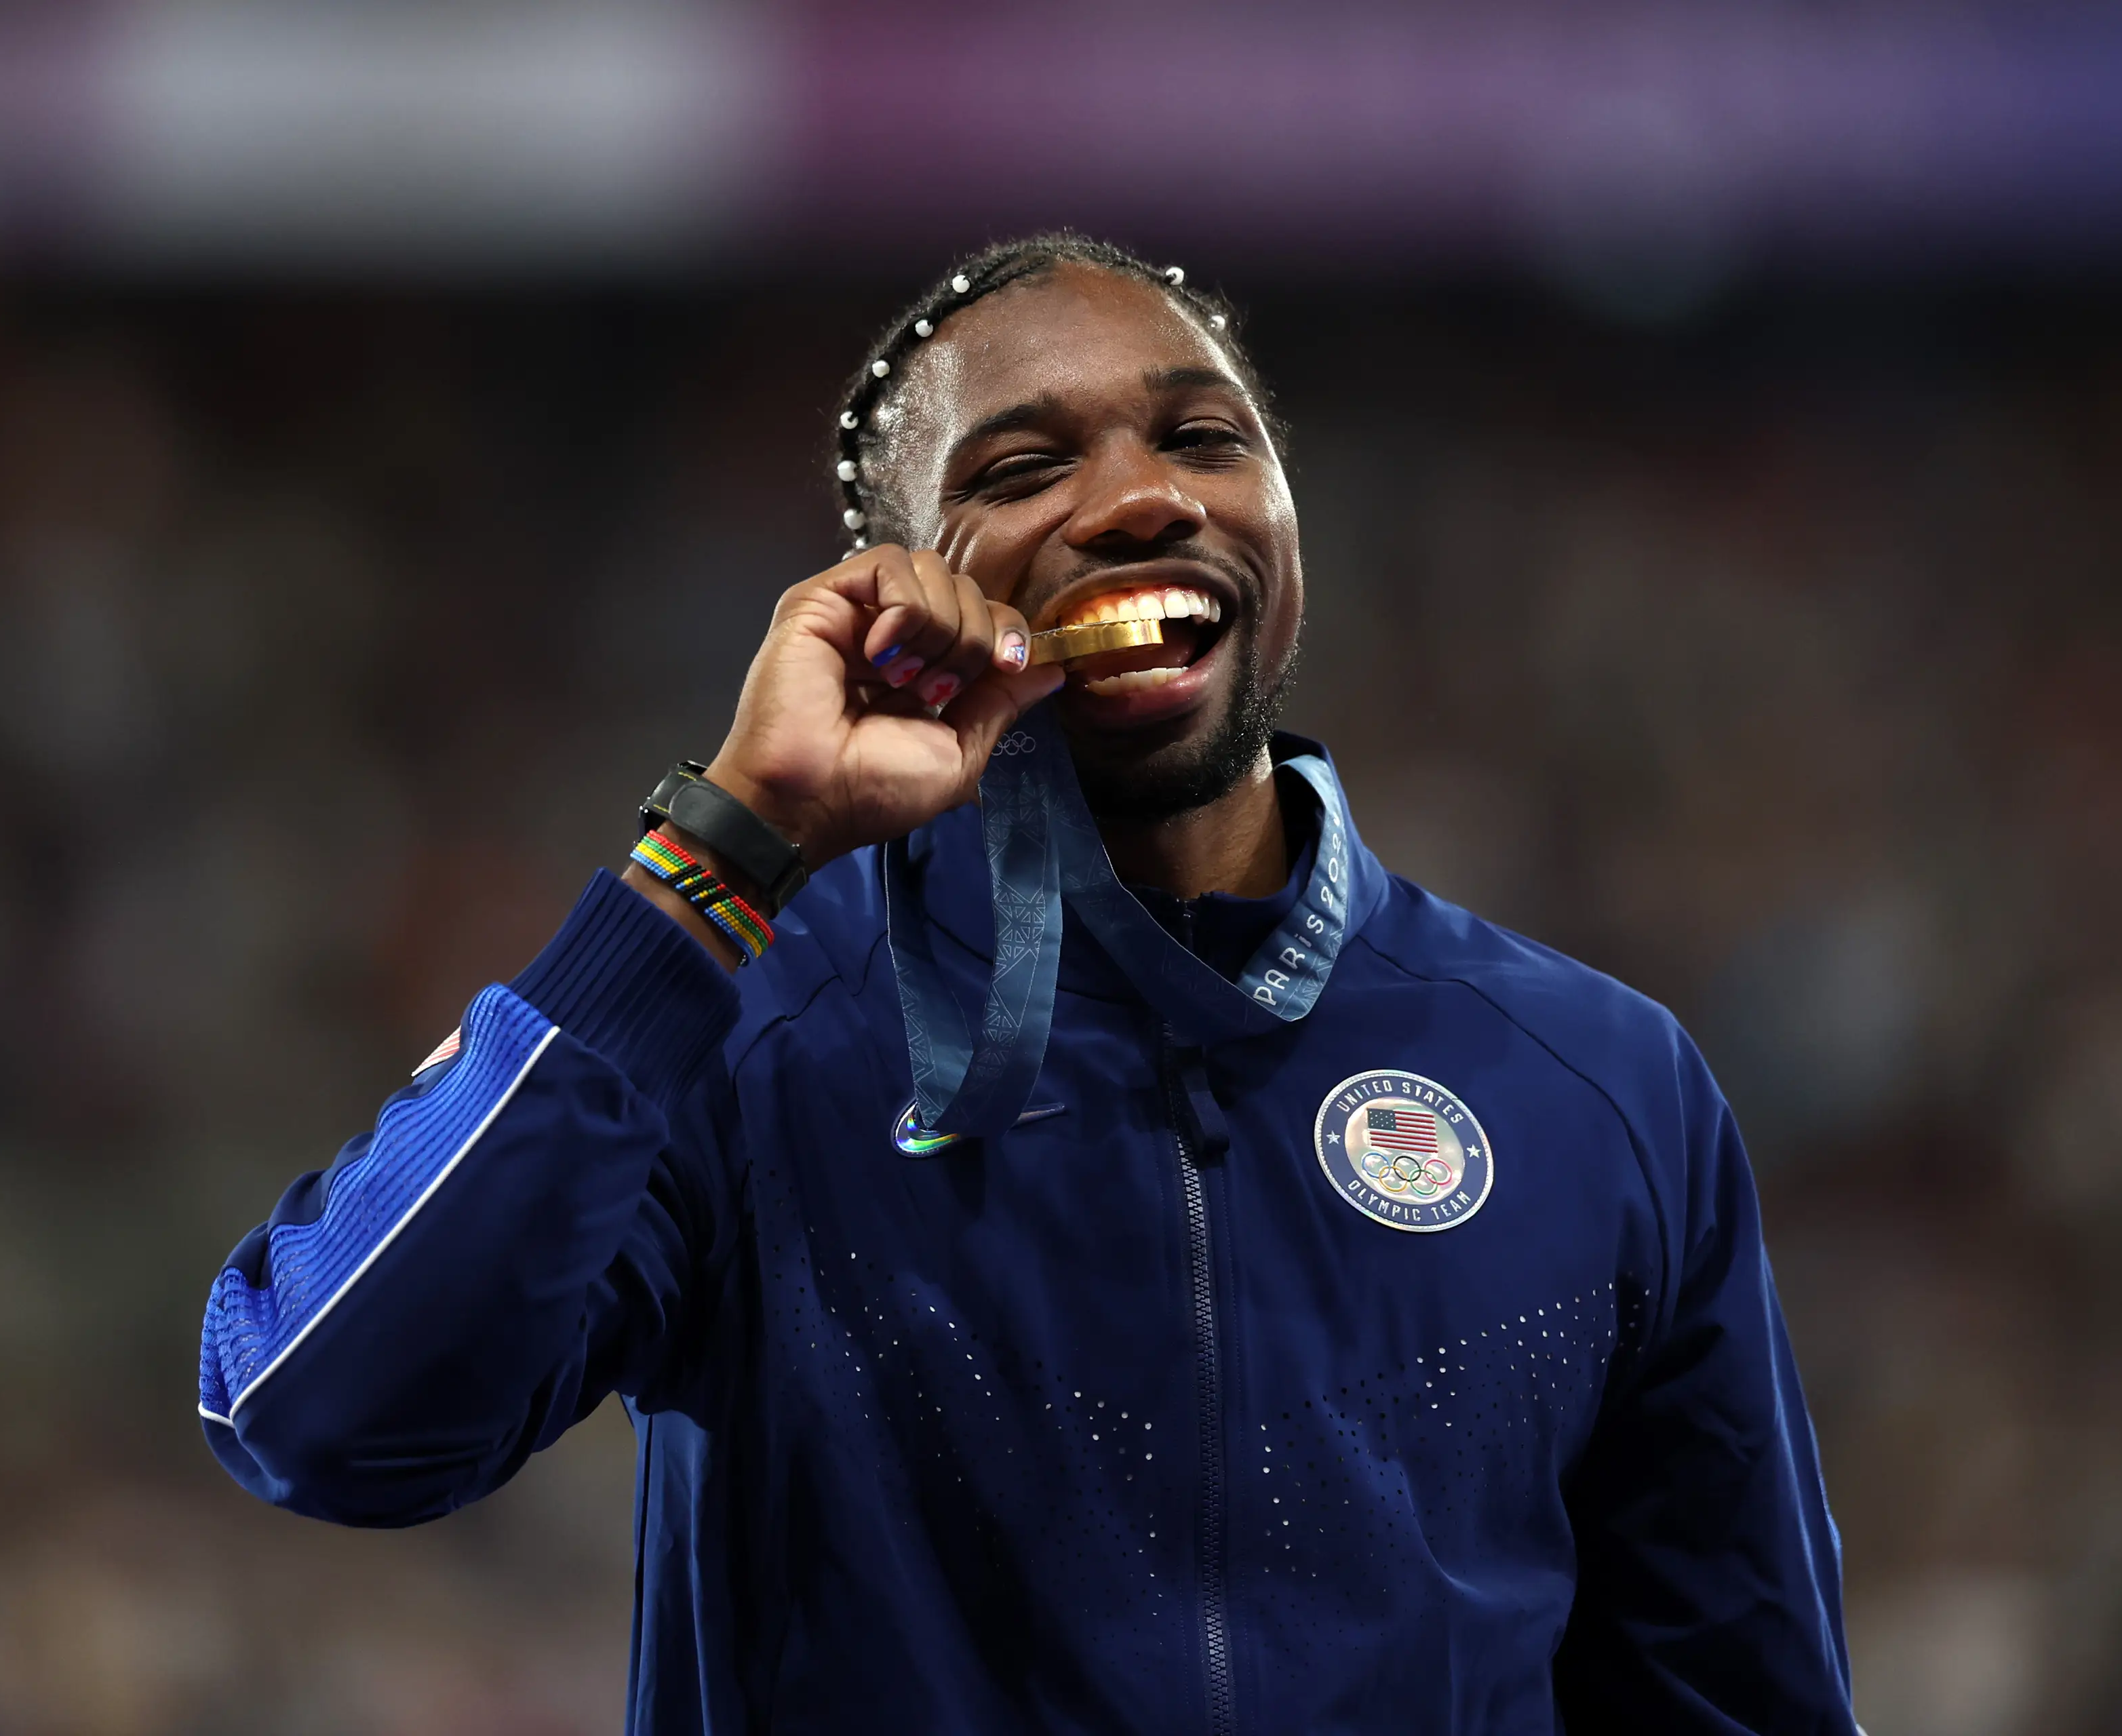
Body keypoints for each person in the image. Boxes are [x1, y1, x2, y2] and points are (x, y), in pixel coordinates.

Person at [197, 234, 1855, 1734]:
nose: (1143, 499)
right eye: (1023, 464)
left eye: (1205, 437)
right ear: (906, 588)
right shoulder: (741, 1040)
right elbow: (328, 1416)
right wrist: (728, 848)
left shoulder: (1600, 1085)